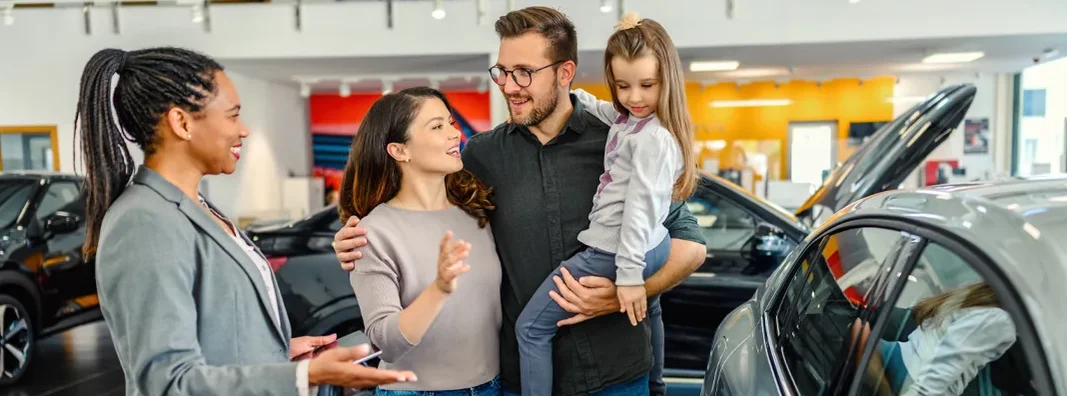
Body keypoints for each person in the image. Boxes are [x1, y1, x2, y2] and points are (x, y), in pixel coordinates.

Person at [332, 6, 708, 396]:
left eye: (524, 73)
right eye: (503, 72)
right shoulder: (478, 157)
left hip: (615, 374)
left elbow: (689, 244)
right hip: (516, 380)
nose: (510, 86)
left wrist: (623, 294)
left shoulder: (617, 140)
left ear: (564, 73)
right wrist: (353, 237)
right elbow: (417, 201)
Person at [78, 47, 416, 396]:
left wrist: (275, 354)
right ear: (181, 122)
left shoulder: (198, 208)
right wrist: (302, 378)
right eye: (232, 116)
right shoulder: (144, 223)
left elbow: (214, 338)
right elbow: (167, 383)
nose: (244, 130)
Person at [514, 12, 697, 396]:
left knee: (530, 329)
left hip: (615, 246)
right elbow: (608, 112)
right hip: (655, 242)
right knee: (655, 306)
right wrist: (575, 96)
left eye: (647, 85)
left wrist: (630, 279)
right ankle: (656, 384)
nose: (634, 98)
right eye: (622, 85)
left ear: (668, 80)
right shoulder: (633, 121)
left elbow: (640, 212)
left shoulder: (652, 140)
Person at [339, 87, 503, 395]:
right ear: (400, 151)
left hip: (490, 387)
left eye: (451, 123)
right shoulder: (374, 232)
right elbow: (384, 342)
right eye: (438, 126)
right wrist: (438, 290)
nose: (455, 134)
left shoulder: (477, 212)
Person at [853, 282, 1017, 396]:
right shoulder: (1001, 320)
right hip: (913, 380)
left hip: (898, 358)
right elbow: (948, 362)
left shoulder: (977, 299)